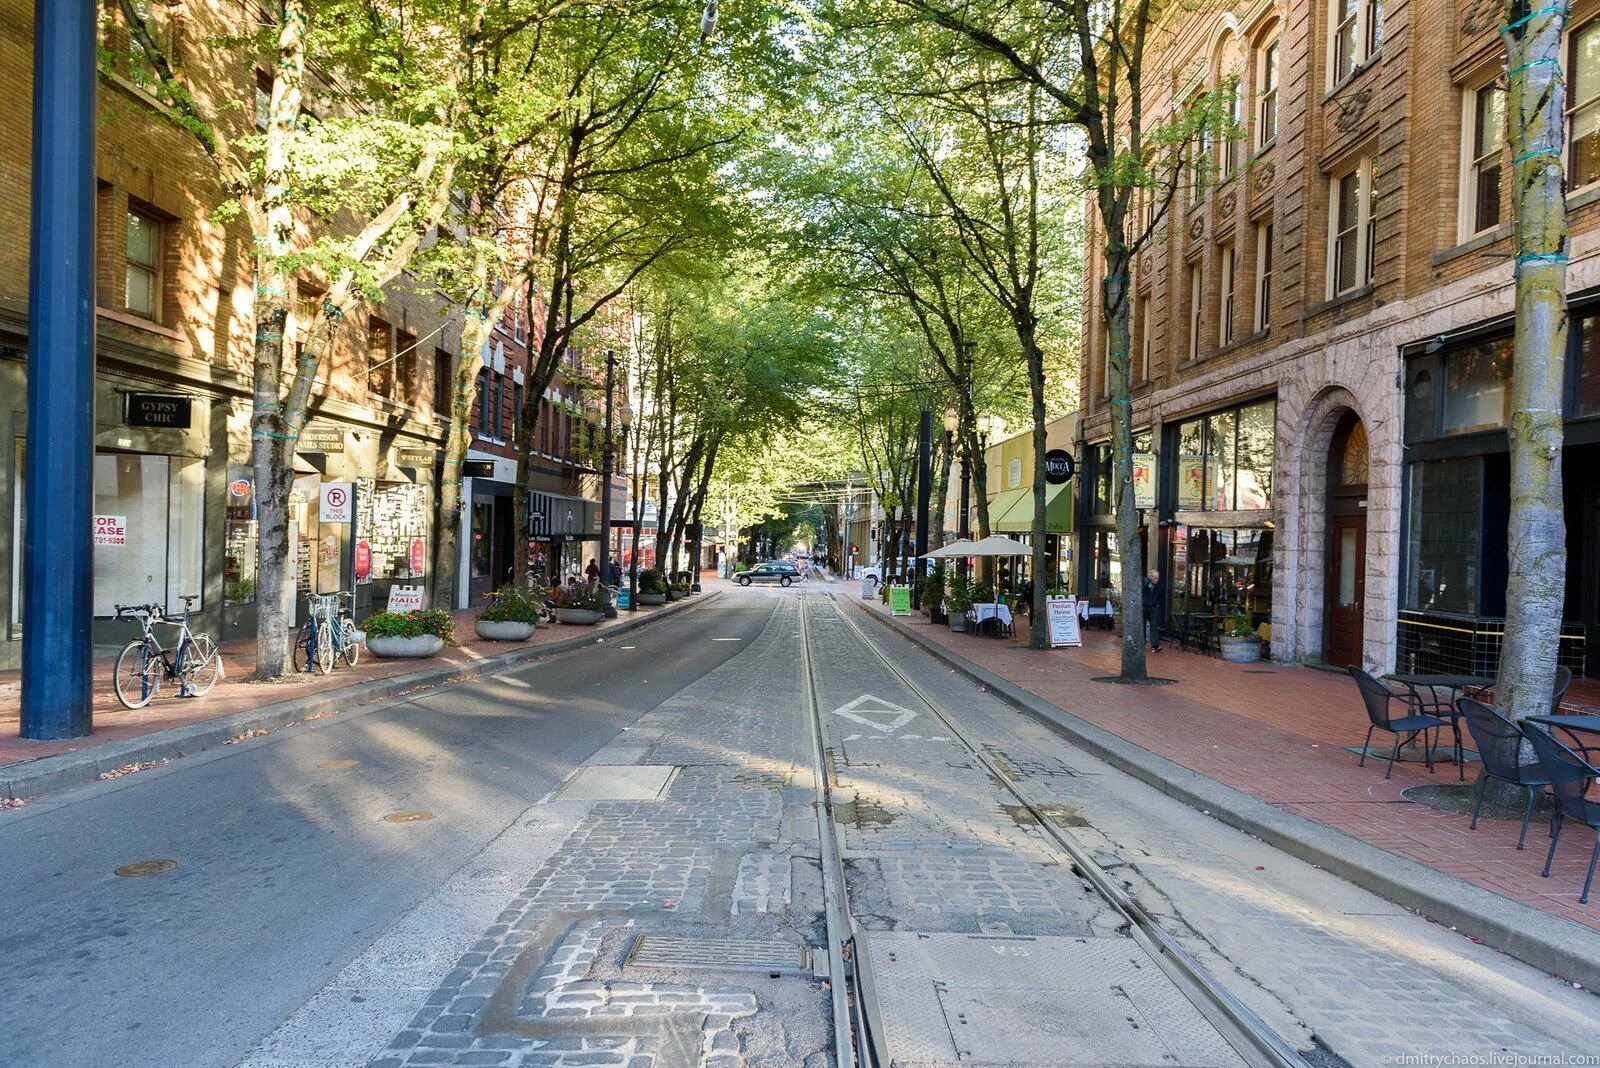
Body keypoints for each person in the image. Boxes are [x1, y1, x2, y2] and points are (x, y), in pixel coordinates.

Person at [1141, 568, 1164, 652]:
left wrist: (1157, 603)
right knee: (1141, 627)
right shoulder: (1144, 583)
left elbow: (1162, 596)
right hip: (1143, 607)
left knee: (1154, 626)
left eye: (1158, 578)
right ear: (1150, 577)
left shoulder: (1159, 585)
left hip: (1153, 608)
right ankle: (1141, 645)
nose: (1157, 580)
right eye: (1155, 578)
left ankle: (1155, 646)